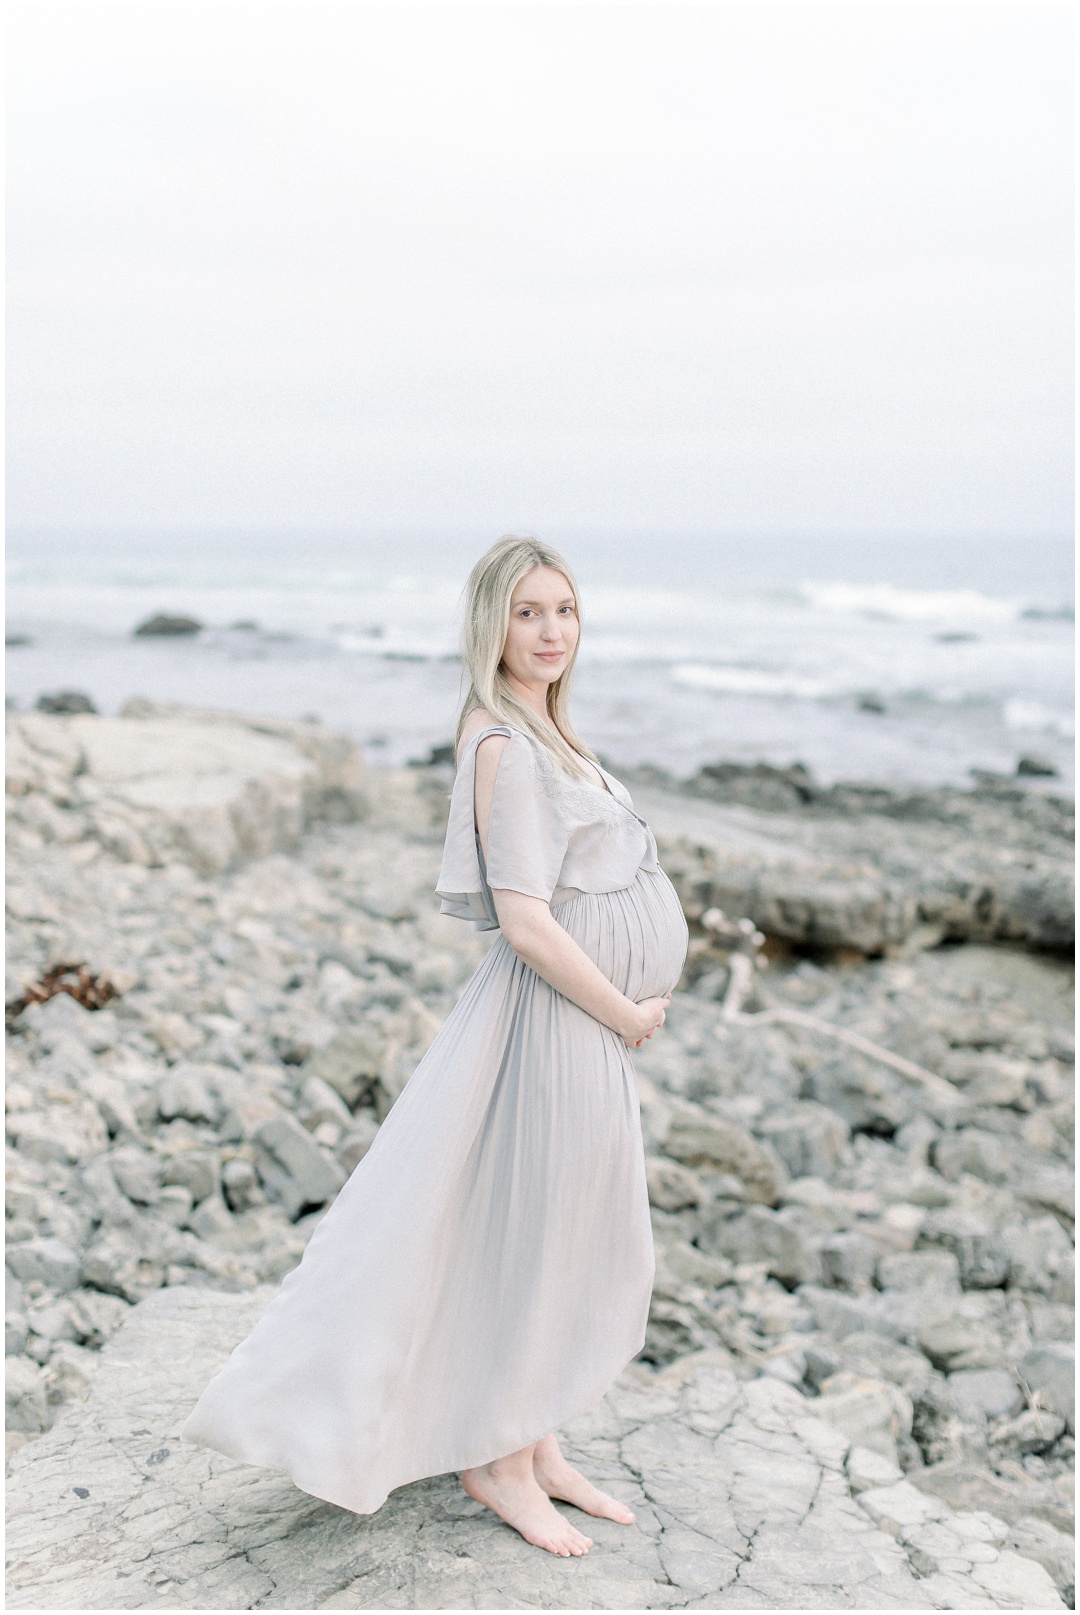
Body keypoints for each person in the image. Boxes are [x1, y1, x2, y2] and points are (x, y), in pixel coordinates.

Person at [179, 536, 689, 1558]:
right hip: (560, 1017)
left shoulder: (551, 726)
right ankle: (496, 1460)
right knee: (542, 1233)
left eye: (565, 611)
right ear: (490, 624)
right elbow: (528, 921)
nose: (550, 631)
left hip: (582, 1021)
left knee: (573, 1226)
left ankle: (533, 1439)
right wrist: (626, 1013)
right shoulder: (500, 741)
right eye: (527, 612)